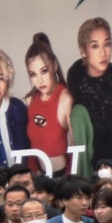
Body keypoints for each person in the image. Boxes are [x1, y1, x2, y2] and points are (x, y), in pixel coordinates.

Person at [66, 18, 112, 168]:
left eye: (107, 44)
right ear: (83, 51)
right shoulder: (79, 86)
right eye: (95, 46)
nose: (103, 52)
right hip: (100, 165)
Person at [23, 34, 74, 174]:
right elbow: (31, 147)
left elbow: (76, 147)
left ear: (55, 66)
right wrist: (33, 176)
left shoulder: (65, 99)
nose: (39, 80)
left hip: (62, 176)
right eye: (33, 74)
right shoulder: (30, 100)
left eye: (44, 71)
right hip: (38, 178)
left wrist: (69, 179)